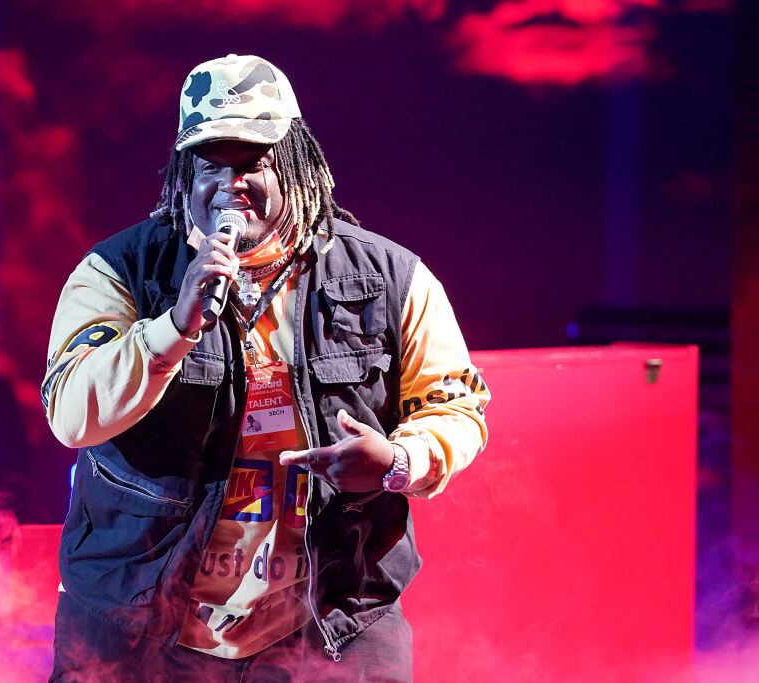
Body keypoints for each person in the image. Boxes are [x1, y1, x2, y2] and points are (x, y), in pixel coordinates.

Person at [41, 54, 490, 682]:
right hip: (141, 620)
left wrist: (399, 462)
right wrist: (172, 328)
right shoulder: (117, 273)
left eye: (254, 161)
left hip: (329, 617)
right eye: (210, 164)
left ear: (296, 160)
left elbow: (456, 406)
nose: (231, 184)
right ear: (183, 171)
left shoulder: (392, 278)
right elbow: (71, 416)